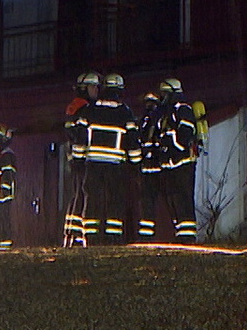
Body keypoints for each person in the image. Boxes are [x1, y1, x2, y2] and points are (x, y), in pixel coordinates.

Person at [71, 72, 140, 244]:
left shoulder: (89, 110)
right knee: (115, 201)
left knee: (92, 200)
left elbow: (80, 140)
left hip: (92, 165)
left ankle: (92, 238)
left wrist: (77, 161)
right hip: (115, 166)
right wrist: (136, 166)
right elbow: (132, 143)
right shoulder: (125, 113)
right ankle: (113, 238)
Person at [142, 78, 202, 242]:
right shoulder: (165, 114)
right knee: (173, 201)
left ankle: (188, 238)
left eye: (164, 94)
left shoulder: (183, 109)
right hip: (170, 166)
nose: (162, 97)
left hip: (183, 164)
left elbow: (185, 134)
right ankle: (181, 236)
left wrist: (171, 146)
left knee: (183, 200)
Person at [62, 71, 102, 245]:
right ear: (85, 88)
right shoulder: (82, 107)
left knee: (77, 194)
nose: (96, 91)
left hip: (77, 157)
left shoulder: (76, 106)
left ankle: (72, 234)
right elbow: (77, 134)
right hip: (81, 159)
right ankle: (78, 236)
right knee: (82, 194)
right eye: (94, 87)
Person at [133, 91, 165, 240]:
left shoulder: (154, 120)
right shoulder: (146, 120)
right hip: (151, 167)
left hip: (154, 167)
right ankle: (146, 235)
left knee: (151, 202)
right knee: (147, 203)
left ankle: (147, 235)